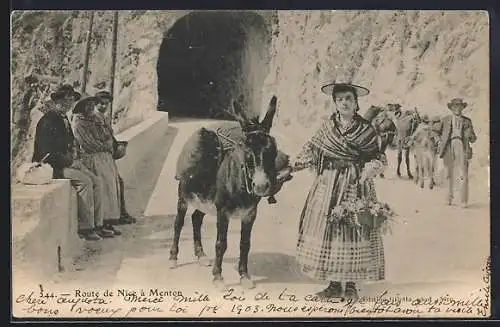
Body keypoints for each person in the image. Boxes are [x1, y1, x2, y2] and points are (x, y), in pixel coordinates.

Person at [291, 81, 393, 299]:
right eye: (339, 99)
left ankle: (353, 286)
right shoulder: (327, 127)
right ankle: (335, 285)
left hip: (355, 183)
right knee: (330, 230)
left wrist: (369, 170)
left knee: (353, 228)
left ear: (356, 103)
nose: (344, 102)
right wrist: (293, 165)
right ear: (334, 104)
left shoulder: (366, 130)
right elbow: (312, 149)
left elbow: (377, 157)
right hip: (328, 183)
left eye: (348, 98)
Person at [32, 84, 113, 241]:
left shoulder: (64, 119)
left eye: (70, 101)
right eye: (64, 101)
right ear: (56, 102)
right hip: (51, 167)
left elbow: (69, 144)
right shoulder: (48, 121)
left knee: (97, 181)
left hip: (66, 163)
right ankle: (85, 228)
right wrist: (69, 162)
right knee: (85, 182)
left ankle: (98, 224)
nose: (67, 104)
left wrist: (75, 156)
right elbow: (46, 153)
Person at [72, 95, 123, 236]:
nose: (90, 108)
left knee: (110, 189)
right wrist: (105, 146)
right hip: (93, 159)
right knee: (103, 188)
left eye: (91, 105)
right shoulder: (79, 123)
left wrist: (108, 145)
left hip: (105, 158)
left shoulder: (95, 119)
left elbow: (107, 136)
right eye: (86, 105)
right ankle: (99, 224)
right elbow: (88, 144)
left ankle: (106, 223)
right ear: (81, 107)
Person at [93, 90, 136, 224]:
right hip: (100, 157)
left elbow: (110, 137)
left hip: (107, 157)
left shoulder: (103, 117)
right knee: (115, 184)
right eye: (101, 103)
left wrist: (118, 144)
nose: (103, 106)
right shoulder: (94, 118)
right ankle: (116, 215)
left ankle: (120, 213)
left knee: (118, 183)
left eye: (106, 104)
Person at [437, 98, 477, 208]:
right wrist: (439, 141)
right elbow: (435, 132)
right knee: (448, 174)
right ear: (451, 108)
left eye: (459, 107)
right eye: (455, 107)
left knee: (463, 174)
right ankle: (448, 198)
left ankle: (463, 201)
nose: (457, 109)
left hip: (462, 146)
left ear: (462, 108)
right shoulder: (445, 120)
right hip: (448, 146)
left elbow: (474, 139)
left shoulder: (467, 121)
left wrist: (470, 135)